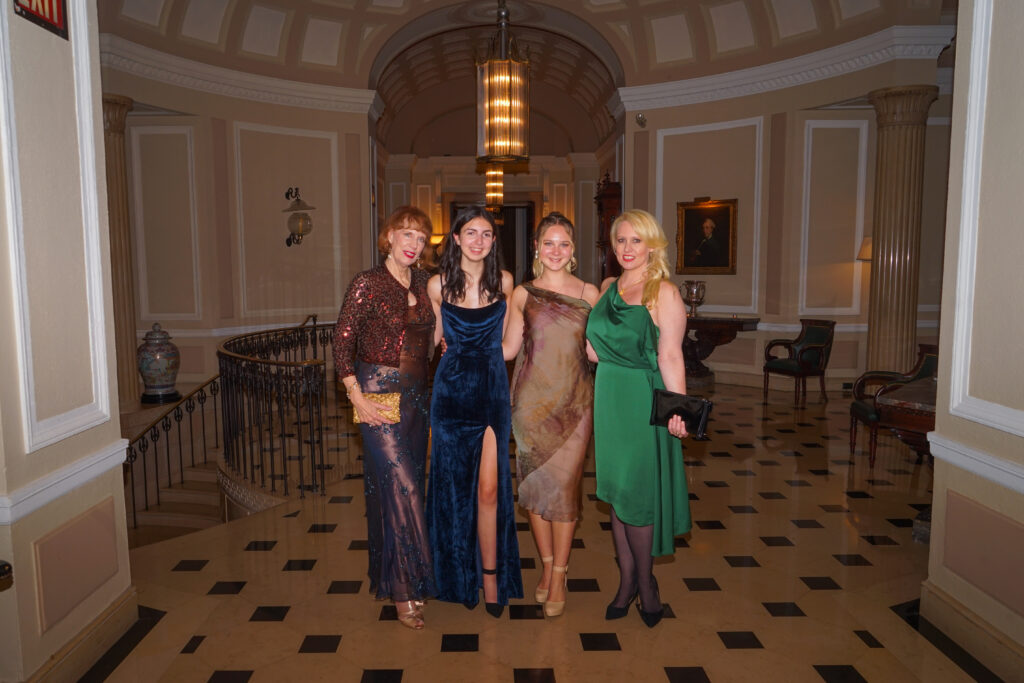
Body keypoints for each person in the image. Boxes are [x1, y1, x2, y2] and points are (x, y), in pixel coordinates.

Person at [585, 208, 692, 628]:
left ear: (652, 245)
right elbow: (594, 348)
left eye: (636, 240)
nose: (627, 248)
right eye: (620, 240)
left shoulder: (663, 292)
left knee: (637, 495)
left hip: (642, 400)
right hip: (609, 396)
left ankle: (646, 583)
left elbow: (671, 356)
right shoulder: (608, 287)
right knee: (617, 492)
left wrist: (678, 409)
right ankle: (627, 579)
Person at [332, 206, 436, 630]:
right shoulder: (367, 283)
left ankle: (399, 575)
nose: (414, 244)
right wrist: (355, 396)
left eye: (421, 238)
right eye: (407, 234)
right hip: (378, 395)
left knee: (405, 489)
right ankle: (404, 590)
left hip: (417, 399)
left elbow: (436, 335)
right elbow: (341, 342)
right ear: (389, 236)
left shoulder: (425, 283)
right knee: (402, 486)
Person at [425, 205, 523, 616]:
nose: (478, 241)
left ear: (493, 240)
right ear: (456, 238)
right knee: (452, 489)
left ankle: (491, 579)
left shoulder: (505, 282)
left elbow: (510, 346)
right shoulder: (437, 285)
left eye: (486, 234)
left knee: (488, 490)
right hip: (449, 395)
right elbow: (431, 341)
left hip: (491, 392)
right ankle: (458, 577)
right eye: (470, 233)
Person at [502, 212, 600, 618]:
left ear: (573, 249)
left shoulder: (590, 292)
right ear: (537, 248)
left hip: (575, 404)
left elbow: (596, 350)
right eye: (548, 243)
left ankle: (560, 574)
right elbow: (509, 349)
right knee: (535, 491)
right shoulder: (522, 294)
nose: (556, 251)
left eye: (564, 243)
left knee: (564, 491)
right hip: (530, 405)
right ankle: (546, 567)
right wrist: (463, 345)